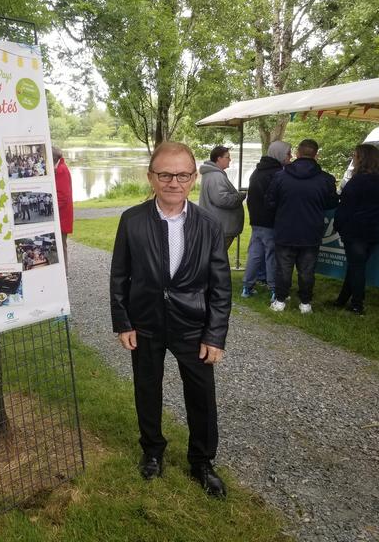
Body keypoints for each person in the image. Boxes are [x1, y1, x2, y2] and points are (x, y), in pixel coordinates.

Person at [110, 141, 232, 498]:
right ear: (151, 177)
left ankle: (202, 461)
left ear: (193, 178)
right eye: (165, 174)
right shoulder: (131, 220)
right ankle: (152, 450)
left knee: (201, 395)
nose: (173, 182)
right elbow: (120, 275)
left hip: (192, 325)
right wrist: (123, 321)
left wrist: (215, 335)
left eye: (181, 175)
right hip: (145, 322)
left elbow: (221, 287)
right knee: (147, 389)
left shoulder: (209, 225)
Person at [266, 139, 339, 314]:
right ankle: (305, 303)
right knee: (307, 270)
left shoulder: (280, 176)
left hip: (285, 229)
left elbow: (270, 201)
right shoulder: (326, 179)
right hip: (311, 231)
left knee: (283, 269)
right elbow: (331, 203)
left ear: (298, 153)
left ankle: (280, 301)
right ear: (316, 155)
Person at [333, 143, 379, 315]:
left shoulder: (358, 180)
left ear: (361, 158)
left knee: (356, 266)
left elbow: (345, 207)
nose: (353, 159)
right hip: (376, 229)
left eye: (354, 156)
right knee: (357, 266)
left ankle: (357, 304)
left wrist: (338, 226)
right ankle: (342, 299)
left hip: (356, 230)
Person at [241, 141, 291, 299]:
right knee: (271, 255)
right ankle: (274, 290)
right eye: (288, 153)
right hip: (270, 221)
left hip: (257, 220)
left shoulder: (258, 171)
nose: (290, 157)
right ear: (280, 154)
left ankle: (247, 287)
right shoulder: (277, 173)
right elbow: (278, 199)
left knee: (255, 254)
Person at [198, 145, 247, 250]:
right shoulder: (216, 176)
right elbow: (222, 199)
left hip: (217, 226)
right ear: (219, 159)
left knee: (214, 258)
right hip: (221, 228)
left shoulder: (211, 174)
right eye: (227, 157)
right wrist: (240, 196)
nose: (230, 160)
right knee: (217, 259)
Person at [53, 146, 74, 273]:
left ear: (54, 158)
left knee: (61, 244)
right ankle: (61, 271)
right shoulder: (60, 168)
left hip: (61, 216)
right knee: (60, 244)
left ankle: (63, 272)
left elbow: (63, 196)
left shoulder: (61, 170)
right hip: (61, 215)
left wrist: (52, 210)